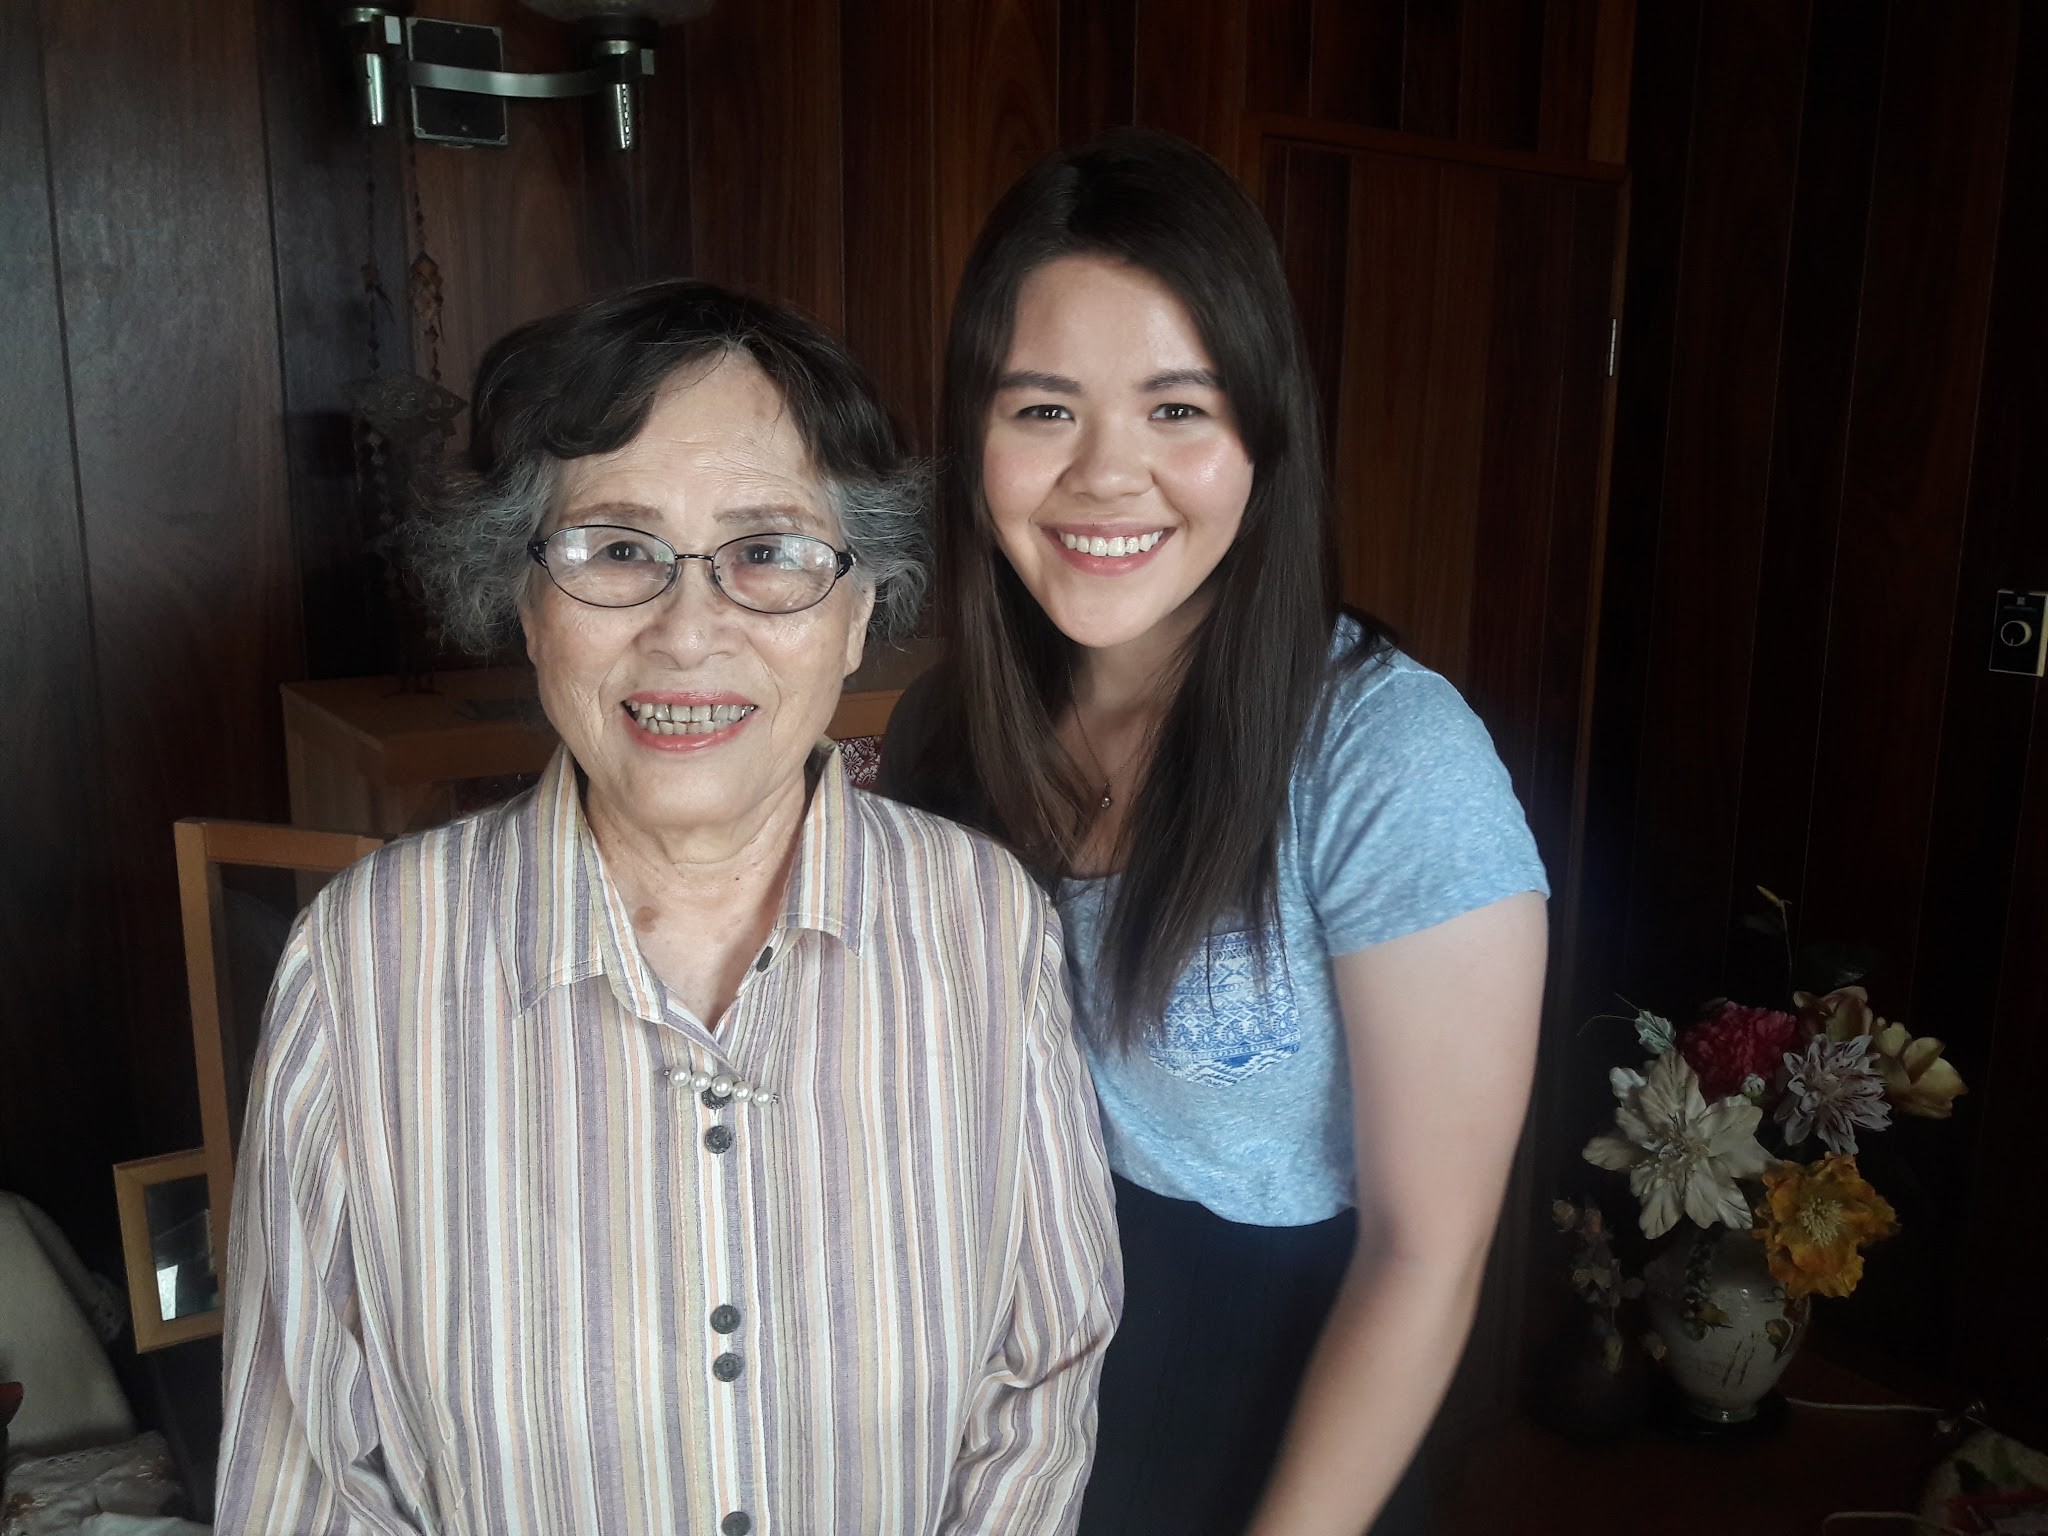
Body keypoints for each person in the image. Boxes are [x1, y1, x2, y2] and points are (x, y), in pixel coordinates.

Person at [216, 280, 1122, 1535]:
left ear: (858, 613)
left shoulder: (983, 929)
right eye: (617, 551)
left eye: (767, 552)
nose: (688, 633)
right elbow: (305, 1476)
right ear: (524, 603)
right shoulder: (364, 964)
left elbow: (1044, 1381)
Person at [880, 131, 1549, 1536]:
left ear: (1263, 430)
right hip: (990, 1425)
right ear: (976, 435)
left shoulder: (1384, 757)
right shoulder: (949, 731)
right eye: (1043, 409)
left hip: (1277, 1432)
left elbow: (1430, 1255)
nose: (1105, 478)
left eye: (1178, 409)